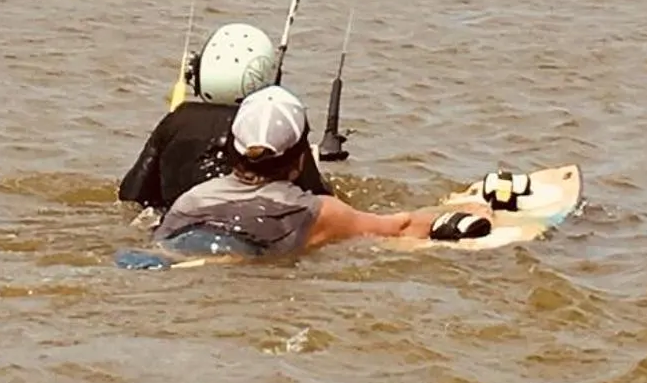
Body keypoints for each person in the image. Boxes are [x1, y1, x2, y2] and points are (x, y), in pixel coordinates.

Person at [151, 86, 494, 258]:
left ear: (232, 153)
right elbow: (399, 227)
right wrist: (466, 212)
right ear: (302, 159)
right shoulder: (314, 213)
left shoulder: (189, 201)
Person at [117, 23, 330, 211]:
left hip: (177, 223)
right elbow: (321, 199)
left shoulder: (177, 119)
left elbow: (132, 195)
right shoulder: (272, 128)